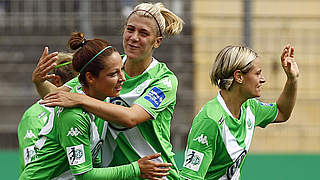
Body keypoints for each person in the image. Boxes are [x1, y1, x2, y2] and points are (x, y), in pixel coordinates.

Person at [34, 2, 184, 179]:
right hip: (117, 174)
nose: (134, 37)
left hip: (155, 173)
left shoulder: (163, 79)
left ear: (157, 42)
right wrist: (39, 80)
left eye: (143, 33)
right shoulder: (109, 67)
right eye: (130, 29)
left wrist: (80, 100)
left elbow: (131, 117)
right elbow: (59, 97)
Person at [180, 45, 299, 180]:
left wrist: (292, 79)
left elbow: (282, 112)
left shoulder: (250, 107)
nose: (263, 79)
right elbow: (190, 178)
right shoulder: (210, 120)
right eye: (257, 73)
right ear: (239, 77)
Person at [18, 52, 77, 172]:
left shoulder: (86, 109)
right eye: (76, 85)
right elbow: (32, 166)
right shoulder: (34, 116)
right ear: (57, 81)